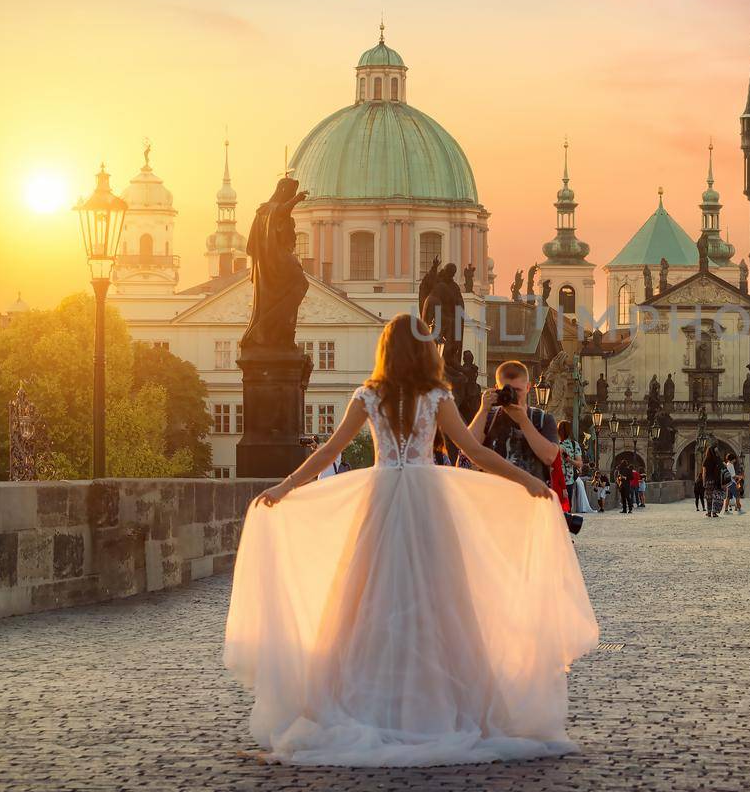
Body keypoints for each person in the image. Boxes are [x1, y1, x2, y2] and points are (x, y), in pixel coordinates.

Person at [224, 314, 598, 767]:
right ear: (424, 352)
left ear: (385, 350)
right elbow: (473, 452)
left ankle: (365, 701)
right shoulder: (436, 395)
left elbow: (329, 451)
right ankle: (442, 702)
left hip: (380, 499)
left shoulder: (368, 395)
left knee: (365, 604)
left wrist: (285, 486)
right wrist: (526, 482)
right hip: (427, 501)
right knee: (443, 602)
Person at [465, 360, 562, 491]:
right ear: (496, 388)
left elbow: (549, 457)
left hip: (530, 499)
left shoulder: (542, 419)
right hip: (492, 497)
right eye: (507, 390)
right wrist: (483, 410)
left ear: (528, 387)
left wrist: (524, 421)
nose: (513, 395)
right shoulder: (489, 416)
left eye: (517, 390)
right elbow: (468, 449)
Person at [558, 421, 594, 515]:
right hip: (556, 480)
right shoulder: (554, 443)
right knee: (560, 508)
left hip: (567, 481)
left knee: (563, 508)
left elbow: (579, 464)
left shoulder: (574, 445)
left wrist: (568, 458)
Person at [701, 448, 726, 517]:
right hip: (716, 481)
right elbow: (724, 468)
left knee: (709, 497)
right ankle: (714, 512)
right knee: (716, 497)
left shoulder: (706, 460)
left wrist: (703, 482)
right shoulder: (718, 460)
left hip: (708, 481)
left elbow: (704, 472)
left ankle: (709, 512)